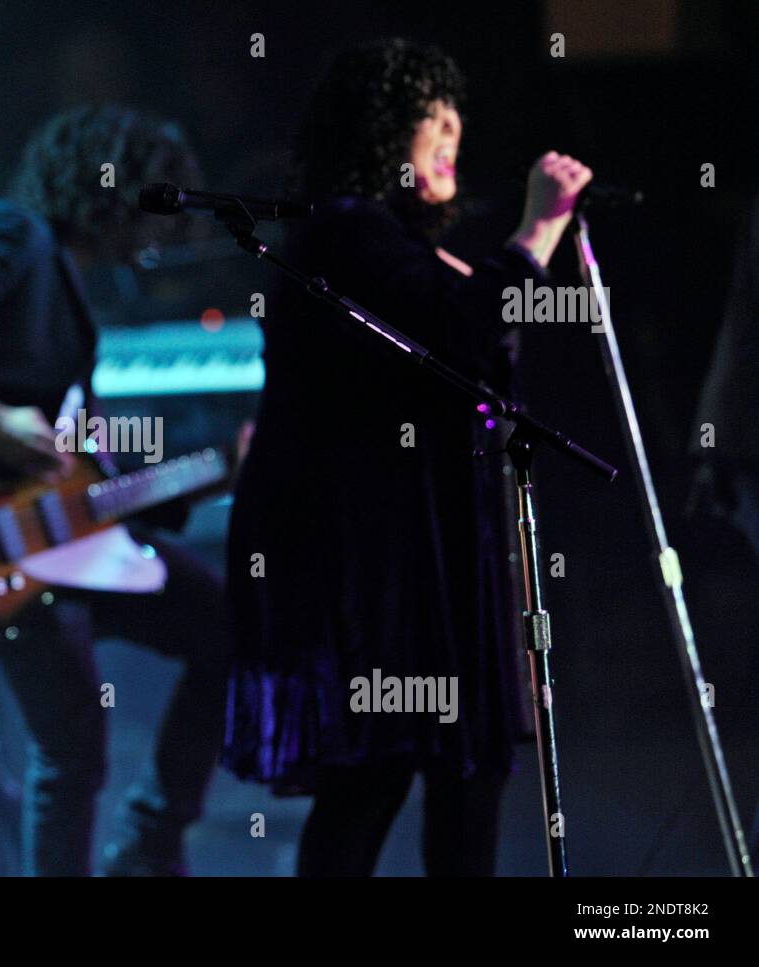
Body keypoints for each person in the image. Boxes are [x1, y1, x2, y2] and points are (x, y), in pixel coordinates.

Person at [224, 39, 593, 876]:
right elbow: (459, 327)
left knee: (444, 772)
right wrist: (537, 230)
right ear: (385, 134)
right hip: (380, 569)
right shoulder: (346, 235)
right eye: (433, 117)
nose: (454, 130)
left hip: (427, 558)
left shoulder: (390, 245)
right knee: (377, 771)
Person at [0, 104, 230, 875]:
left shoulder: (60, 273)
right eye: (156, 202)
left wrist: (206, 472)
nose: (159, 233)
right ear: (116, 188)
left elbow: (76, 456)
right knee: (72, 754)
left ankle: (150, 837)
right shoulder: (12, 234)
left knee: (227, 632)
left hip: (66, 536)